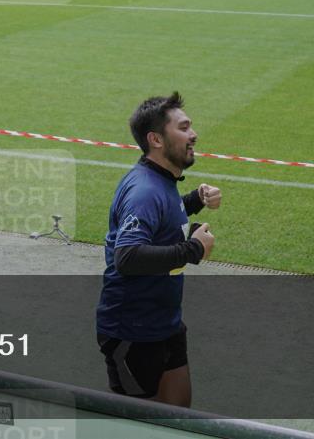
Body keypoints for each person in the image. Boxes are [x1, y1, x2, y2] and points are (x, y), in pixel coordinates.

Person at [96, 92, 221, 407]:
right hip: (132, 332)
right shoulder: (145, 191)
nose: (193, 135)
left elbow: (164, 215)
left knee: (178, 415)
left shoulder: (163, 181)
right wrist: (193, 249)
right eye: (183, 128)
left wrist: (194, 200)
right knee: (139, 424)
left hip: (164, 323)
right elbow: (127, 257)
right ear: (156, 139)